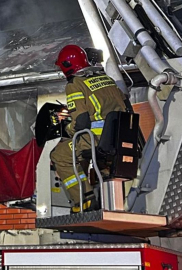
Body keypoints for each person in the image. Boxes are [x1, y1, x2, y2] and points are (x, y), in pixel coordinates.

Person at [49, 44, 128, 211]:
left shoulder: (75, 84)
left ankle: (85, 200)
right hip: (119, 138)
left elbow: (81, 123)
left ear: (66, 66)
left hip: (95, 139)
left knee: (59, 155)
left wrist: (69, 128)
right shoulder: (107, 79)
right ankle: (107, 192)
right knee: (93, 158)